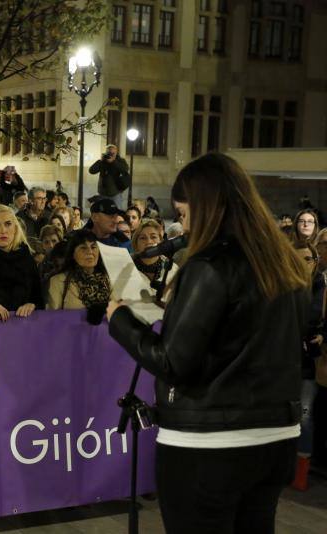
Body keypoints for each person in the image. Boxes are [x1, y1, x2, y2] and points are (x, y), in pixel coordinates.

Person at [106, 153, 310, 533]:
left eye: (183, 215)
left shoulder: (209, 265)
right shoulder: (283, 262)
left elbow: (173, 363)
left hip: (210, 444)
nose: (181, 227)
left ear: (205, 207)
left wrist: (119, 320)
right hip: (276, 436)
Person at [291, 241, 325, 491]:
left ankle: (300, 474)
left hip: (309, 362)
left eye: (308, 259)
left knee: (305, 415)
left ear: (316, 261)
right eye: (298, 259)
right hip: (284, 361)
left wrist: (323, 334)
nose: (304, 264)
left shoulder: (321, 288)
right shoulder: (285, 286)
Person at [46, 230, 111, 310]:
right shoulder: (58, 282)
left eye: (93, 247)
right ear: (72, 254)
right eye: (83, 248)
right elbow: (52, 317)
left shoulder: (110, 278)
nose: (90, 252)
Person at [131, 219, 178, 291]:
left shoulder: (172, 269)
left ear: (160, 242)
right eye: (143, 238)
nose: (148, 242)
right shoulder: (128, 266)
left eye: (153, 237)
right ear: (136, 244)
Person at [89, 144, 130, 209]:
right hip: (102, 193)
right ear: (106, 152)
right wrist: (100, 161)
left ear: (116, 153)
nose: (110, 155)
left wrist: (114, 162)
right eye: (109, 153)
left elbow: (125, 169)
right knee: (103, 213)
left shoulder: (120, 161)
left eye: (113, 153)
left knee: (117, 212)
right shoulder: (103, 161)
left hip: (115, 193)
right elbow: (91, 171)